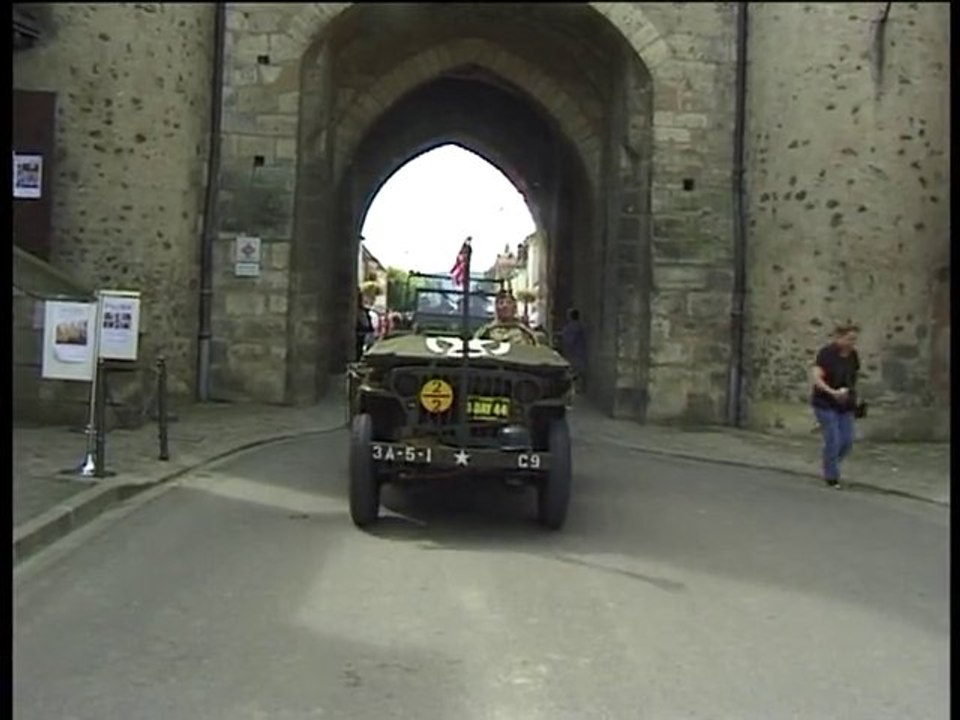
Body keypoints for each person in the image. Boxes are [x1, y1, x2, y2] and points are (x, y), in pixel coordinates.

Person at [811, 323, 861, 488]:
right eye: (849, 339)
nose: (852, 343)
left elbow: (853, 377)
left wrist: (850, 394)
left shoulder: (853, 356)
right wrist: (832, 392)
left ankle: (829, 463)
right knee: (833, 439)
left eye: (854, 339)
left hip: (845, 404)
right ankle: (832, 476)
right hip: (825, 402)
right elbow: (817, 378)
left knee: (847, 441)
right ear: (839, 338)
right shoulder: (827, 354)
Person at [474, 290, 538, 345]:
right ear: (497, 308)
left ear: (514, 308)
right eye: (501, 303)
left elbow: (535, 350)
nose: (505, 306)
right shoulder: (486, 331)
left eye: (509, 303)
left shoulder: (525, 331)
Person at [560, 308, 588, 392]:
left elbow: (569, 340)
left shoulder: (572, 327)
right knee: (579, 371)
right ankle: (580, 388)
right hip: (580, 352)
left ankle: (575, 389)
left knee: (574, 371)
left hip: (574, 353)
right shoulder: (581, 326)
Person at [355, 292, 374, 360]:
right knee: (360, 346)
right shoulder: (360, 311)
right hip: (362, 332)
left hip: (363, 332)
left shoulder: (362, 311)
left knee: (361, 346)